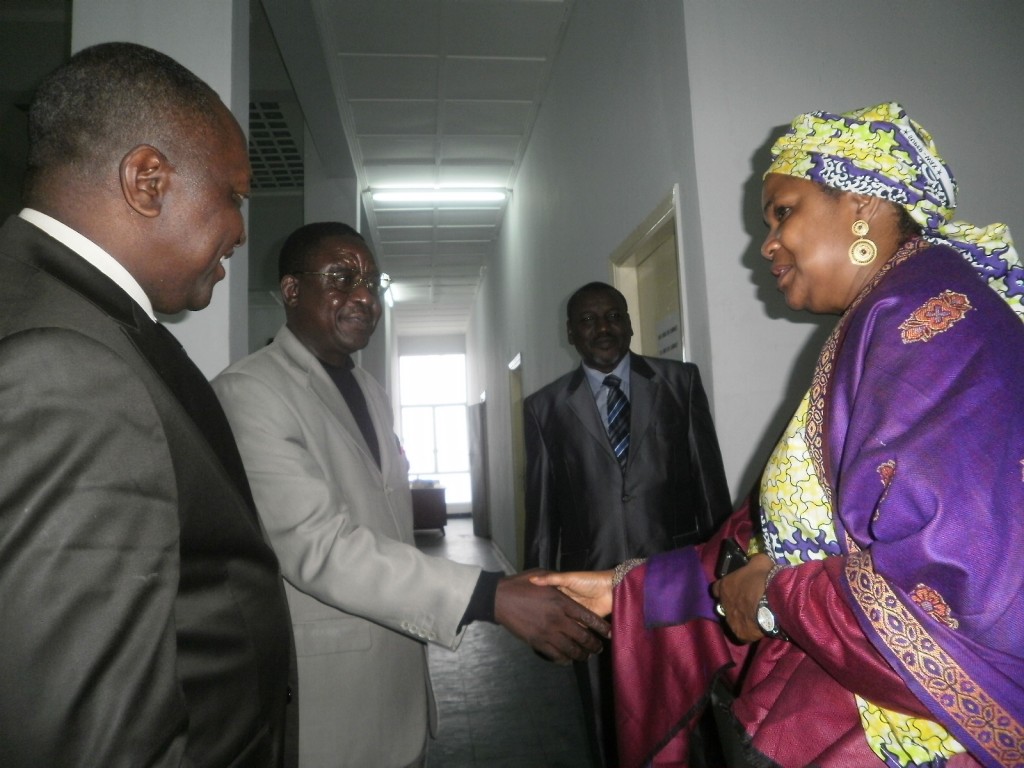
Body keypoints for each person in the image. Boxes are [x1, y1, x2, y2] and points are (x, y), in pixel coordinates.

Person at [534, 102, 1024, 768]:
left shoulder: (930, 318)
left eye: (782, 212)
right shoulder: (888, 312)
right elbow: (774, 536)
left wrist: (772, 600)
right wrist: (631, 588)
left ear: (860, 203)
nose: (764, 246)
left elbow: (957, 588)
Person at [211, 221, 611, 768]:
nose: (363, 296)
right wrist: (488, 596)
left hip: (400, 689)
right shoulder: (250, 392)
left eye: (372, 282)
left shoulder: (370, 390)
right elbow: (319, 546)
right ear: (291, 290)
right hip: (331, 702)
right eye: (341, 277)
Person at [0, 43, 294, 766]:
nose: (243, 229)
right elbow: (87, 741)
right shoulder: (65, 366)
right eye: (235, 194)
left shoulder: (80, 317)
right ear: (148, 180)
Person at [523, 281, 731, 766]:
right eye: (589, 320)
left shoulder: (679, 382)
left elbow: (709, 484)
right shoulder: (545, 407)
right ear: (571, 332)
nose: (603, 328)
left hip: (674, 575)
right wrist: (538, 601)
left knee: (691, 699)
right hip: (589, 587)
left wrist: (722, 569)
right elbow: (542, 511)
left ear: (630, 323)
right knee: (604, 708)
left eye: (613, 316)